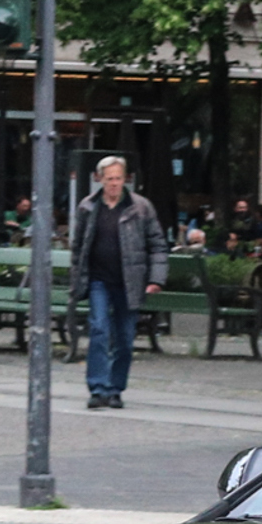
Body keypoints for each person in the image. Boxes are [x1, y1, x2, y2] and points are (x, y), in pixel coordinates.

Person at [71, 156, 170, 409]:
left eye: (118, 178)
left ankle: (116, 388)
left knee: (125, 338)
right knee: (99, 329)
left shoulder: (141, 207)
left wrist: (156, 278)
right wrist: (77, 277)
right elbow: (78, 246)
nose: (114, 183)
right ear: (100, 179)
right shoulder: (88, 207)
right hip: (98, 280)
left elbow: (157, 245)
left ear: (125, 179)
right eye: (109, 179)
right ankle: (97, 388)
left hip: (130, 281)